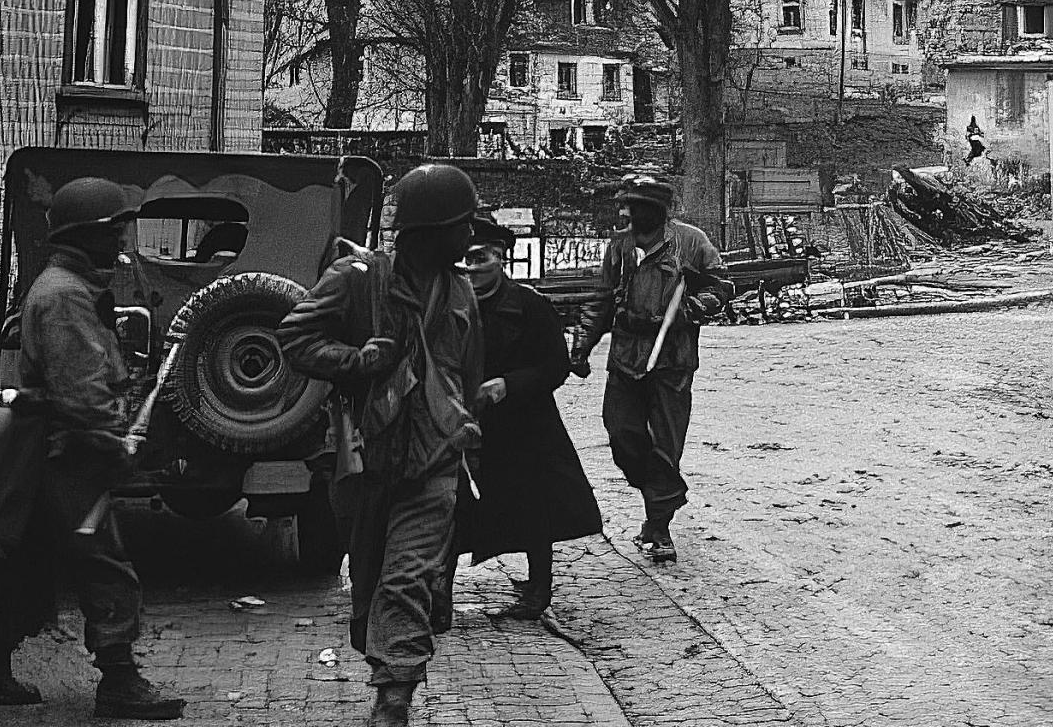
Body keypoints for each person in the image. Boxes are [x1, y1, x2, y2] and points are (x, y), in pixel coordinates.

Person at [278, 164, 484, 727]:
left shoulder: (461, 289)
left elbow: (468, 375)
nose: (471, 235)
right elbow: (294, 336)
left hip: (434, 463)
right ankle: (387, 659)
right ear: (431, 230)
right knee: (368, 578)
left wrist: (468, 439)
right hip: (366, 460)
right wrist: (357, 361)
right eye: (463, 224)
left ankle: (394, 697)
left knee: (406, 576)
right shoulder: (357, 279)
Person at [0, 177, 186, 719]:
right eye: (113, 229)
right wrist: (112, 446)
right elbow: (80, 389)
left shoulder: (67, 286)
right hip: (69, 454)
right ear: (85, 234)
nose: (121, 239)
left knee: (27, 563)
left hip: (51, 449)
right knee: (103, 564)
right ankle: (118, 679)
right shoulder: (66, 295)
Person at [572, 175, 731, 564]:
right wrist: (582, 346)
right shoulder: (620, 248)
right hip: (626, 360)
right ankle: (667, 493)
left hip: (671, 363)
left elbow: (721, 287)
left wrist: (688, 310)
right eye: (629, 205)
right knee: (622, 436)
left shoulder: (691, 243)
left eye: (640, 206)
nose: (631, 212)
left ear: (659, 211)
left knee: (665, 446)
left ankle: (658, 527)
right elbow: (601, 298)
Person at [455, 216, 601, 637]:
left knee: (535, 505)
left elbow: (555, 367)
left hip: (523, 424)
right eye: (465, 259)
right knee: (453, 504)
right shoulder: (449, 304)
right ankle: (437, 594)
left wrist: (508, 385)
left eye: (480, 258)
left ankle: (539, 591)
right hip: (462, 420)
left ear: (501, 259)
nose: (471, 268)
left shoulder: (529, 306)